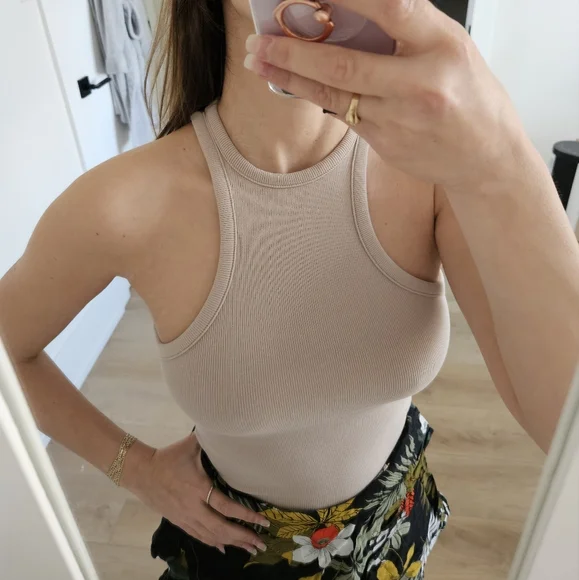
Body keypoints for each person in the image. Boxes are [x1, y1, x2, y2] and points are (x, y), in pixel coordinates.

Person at [1, 0, 578, 578]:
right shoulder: (124, 205)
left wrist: (499, 151)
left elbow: (563, 426)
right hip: (235, 553)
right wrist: (137, 469)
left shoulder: (431, 166)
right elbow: (7, 350)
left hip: (393, 535)